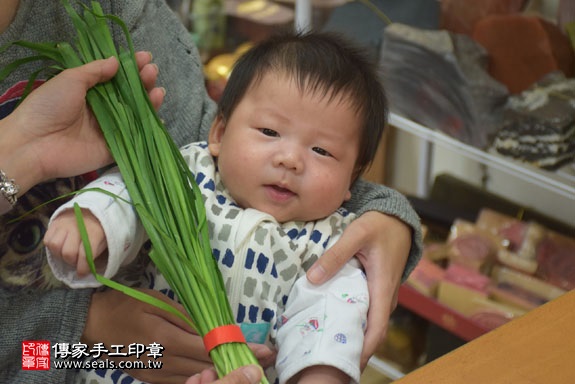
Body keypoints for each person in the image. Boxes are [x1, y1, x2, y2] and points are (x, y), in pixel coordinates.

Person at [1, 0, 421, 383]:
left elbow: (330, 323)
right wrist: (94, 220)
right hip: (87, 359)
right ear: (219, 133)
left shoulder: (327, 244)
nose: (291, 160)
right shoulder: (195, 170)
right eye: (271, 132)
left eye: (322, 151)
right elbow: (131, 195)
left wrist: (391, 218)